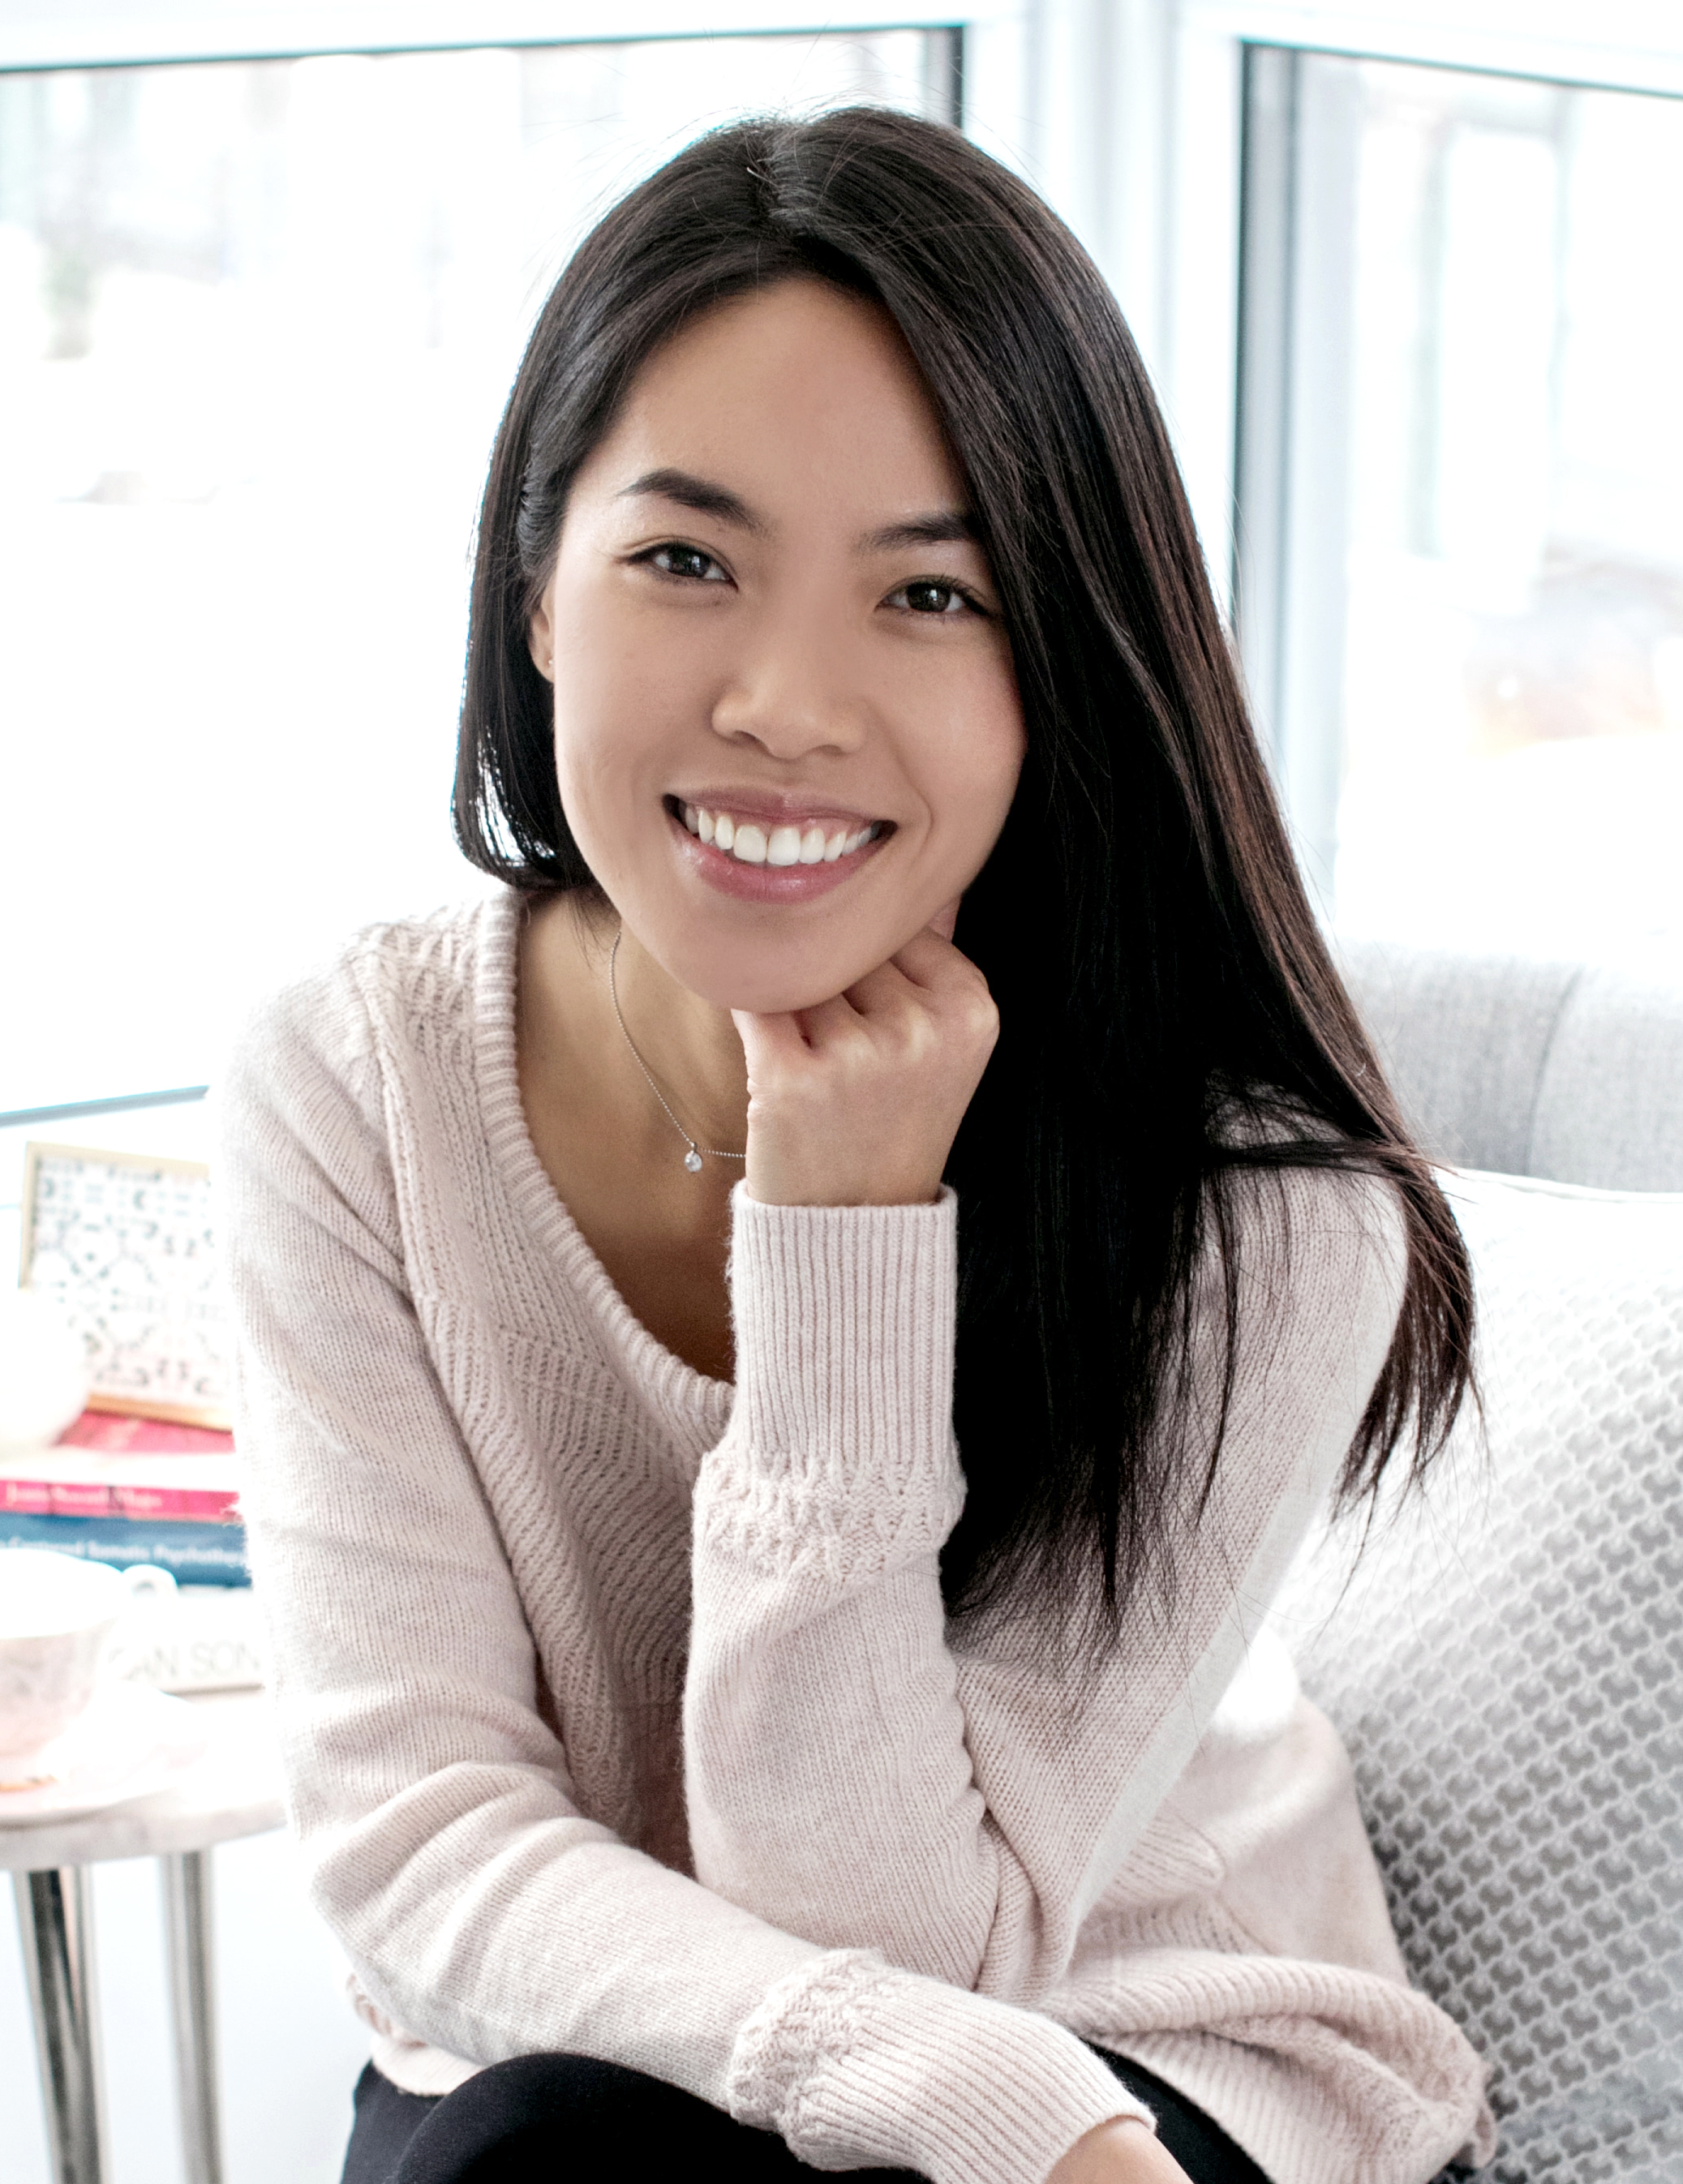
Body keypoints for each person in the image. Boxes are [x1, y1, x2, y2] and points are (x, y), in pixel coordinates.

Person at [221, 107, 1495, 2184]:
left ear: (1059, 669)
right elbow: (422, 1834)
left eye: (928, 591)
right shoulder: (351, 1082)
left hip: (1135, 2046)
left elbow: (917, 1929)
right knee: (544, 2141)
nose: (787, 702)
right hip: (614, 2051)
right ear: (536, 591)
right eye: (686, 561)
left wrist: (844, 1241)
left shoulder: (1263, 1211)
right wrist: (954, 2084)